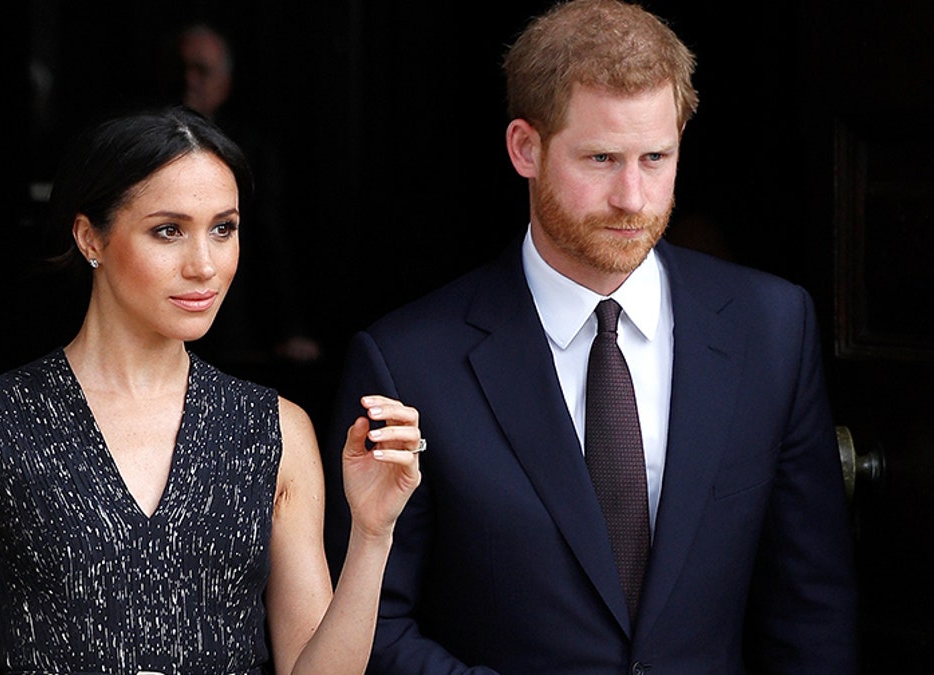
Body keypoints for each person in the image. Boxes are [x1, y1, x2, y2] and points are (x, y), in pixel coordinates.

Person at [321, 0, 857, 672]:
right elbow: (370, 622)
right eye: (601, 158)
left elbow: (811, 610)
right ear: (525, 147)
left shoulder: (773, 328)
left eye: (656, 157)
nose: (633, 196)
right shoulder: (408, 361)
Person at [0, 106, 422, 674]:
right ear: (89, 238)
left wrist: (373, 535)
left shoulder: (274, 429)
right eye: (168, 231)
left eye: (223, 229)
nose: (204, 265)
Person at [160, 22, 323, 376]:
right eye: (181, 68)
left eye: (202, 70)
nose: (189, 80)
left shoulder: (251, 150)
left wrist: (289, 327)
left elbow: (272, 238)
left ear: (227, 82)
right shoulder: (143, 149)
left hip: (238, 327)